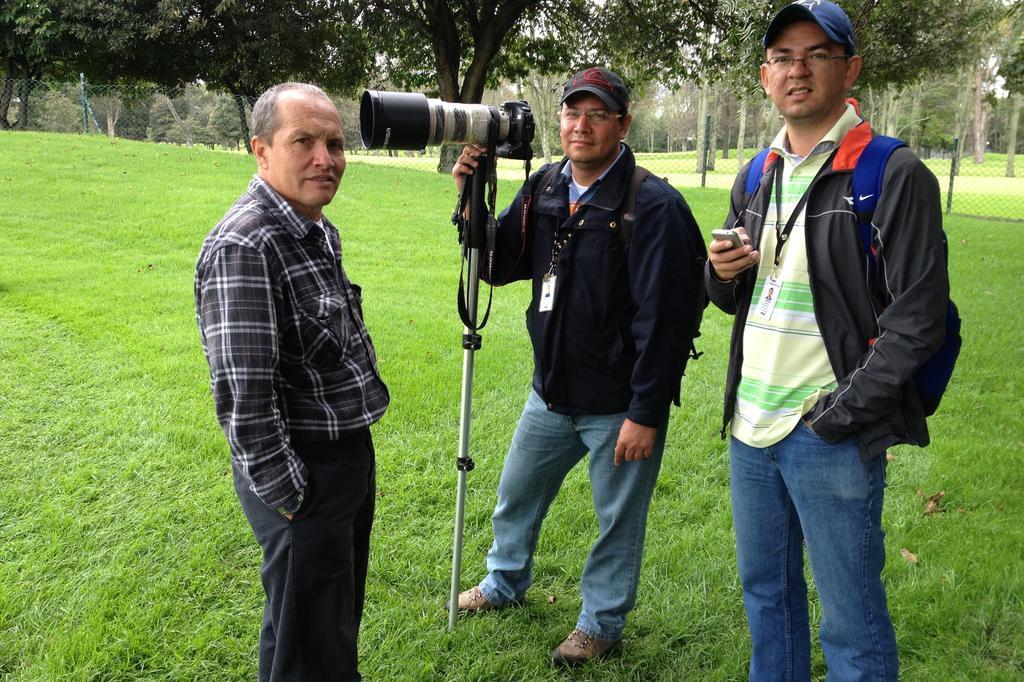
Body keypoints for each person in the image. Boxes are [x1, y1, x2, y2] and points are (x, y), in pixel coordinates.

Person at [706, 2, 949, 679]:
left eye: (816, 53)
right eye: (783, 57)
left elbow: (919, 318)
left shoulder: (891, 174)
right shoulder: (758, 172)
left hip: (826, 431)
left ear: (850, 68)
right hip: (750, 427)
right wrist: (718, 270)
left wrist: (838, 416)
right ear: (764, 76)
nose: (798, 69)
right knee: (767, 598)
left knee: (850, 617)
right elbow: (730, 294)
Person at [452, 67, 705, 666]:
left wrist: (645, 413)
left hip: (618, 404)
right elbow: (499, 263)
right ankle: (503, 583)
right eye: (572, 113)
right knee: (515, 496)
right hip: (550, 393)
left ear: (622, 123)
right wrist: (471, 198)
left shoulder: (653, 205)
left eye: (597, 114)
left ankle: (600, 623)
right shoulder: (544, 186)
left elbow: (666, 322)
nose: (581, 125)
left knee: (617, 521)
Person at [195, 82, 389, 682]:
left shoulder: (313, 227)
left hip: (341, 458)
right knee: (316, 650)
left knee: (309, 629)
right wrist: (295, 501)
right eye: (302, 141)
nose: (324, 159)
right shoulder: (247, 244)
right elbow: (245, 401)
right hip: (304, 474)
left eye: (334, 143)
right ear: (261, 149)